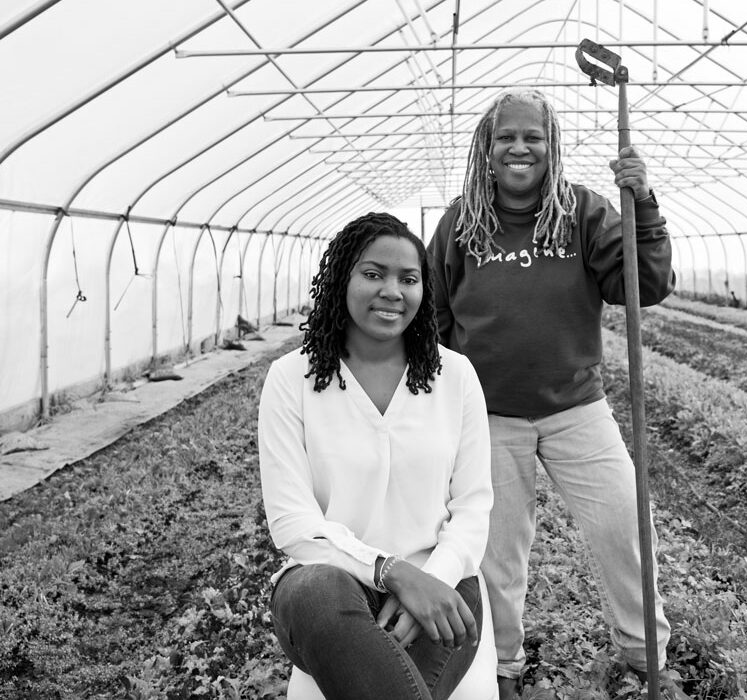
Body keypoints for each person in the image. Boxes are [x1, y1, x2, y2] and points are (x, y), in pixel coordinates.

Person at [426, 90, 690, 700]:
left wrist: (643, 200)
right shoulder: (462, 222)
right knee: (494, 551)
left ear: (553, 147)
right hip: (489, 417)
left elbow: (644, 284)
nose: (520, 148)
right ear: (485, 151)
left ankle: (644, 655)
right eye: (506, 138)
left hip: (577, 408)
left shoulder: (583, 212)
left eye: (533, 137)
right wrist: (444, 397)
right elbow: (435, 314)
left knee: (625, 525)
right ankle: (502, 666)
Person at [258, 212, 494, 700]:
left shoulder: (455, 376)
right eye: (373, 274)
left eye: (409, 279)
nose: (393, 291)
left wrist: (430, 582)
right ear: (341, 281)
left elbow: (473, 506)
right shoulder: (291, 379)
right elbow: (292, 522)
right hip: (331, 585)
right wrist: (392, 573)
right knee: (319, 593)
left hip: (442, 579)